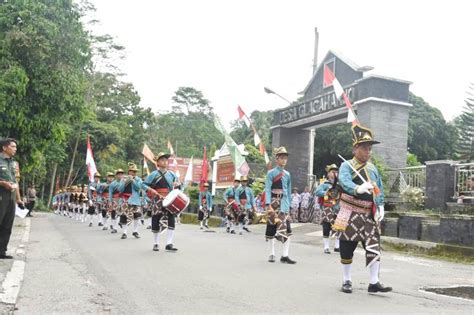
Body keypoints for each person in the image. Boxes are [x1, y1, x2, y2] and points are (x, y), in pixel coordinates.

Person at [333, 124, 391, 294]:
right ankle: (347, 280)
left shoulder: (373, 168)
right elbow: (344, 181)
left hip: (369, 213)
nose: (368, 152)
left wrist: (380, 205)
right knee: (346, 247)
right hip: (349, 210)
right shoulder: (346, 166)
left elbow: (378, 188)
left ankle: (374, 282)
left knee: (373, 246)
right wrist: (357, 189)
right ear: (356, 148)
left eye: (370, 148)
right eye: (365, 148)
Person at [143, 152, 180, 252]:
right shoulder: (153, 174)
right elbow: (144, 185)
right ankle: (156, 243)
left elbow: (179, 186)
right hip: (157, 199)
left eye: (166, 160)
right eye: (162, 160)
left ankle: (169, 243)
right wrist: (151, 190)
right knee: (156, 219)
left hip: (169, 198)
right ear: (158, 163)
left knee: (171, 219)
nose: (165, 161)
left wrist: (177, 184)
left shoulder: (172, 174)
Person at [264, 146, 296, 264]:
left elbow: (288, 192)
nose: (284, 160)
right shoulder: (271, 173)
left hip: (284, 203)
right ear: (277, 159)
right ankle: (272, 253)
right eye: (281, 158)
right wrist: (268, 205)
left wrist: (288, 206)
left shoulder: (287, 174)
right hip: (273, 202)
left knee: (287, 228)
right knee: (272, 227)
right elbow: (267, 189)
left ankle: (285, 255)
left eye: (285, 158)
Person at [0, 138, 24, 259]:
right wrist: (2, 183)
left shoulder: (13, 163)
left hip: (11, 197)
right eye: (13, 146)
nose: (15, 149)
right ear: (4, 147)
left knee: (7, 224)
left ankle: (2, 251)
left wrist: (18, 199)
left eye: (15, 147)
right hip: (1, 196)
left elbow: (16, 182)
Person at [315, 164, 341, 254]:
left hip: (338, 208)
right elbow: (317, 192)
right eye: (332, 171)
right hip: (327, 208)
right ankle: (326, 247)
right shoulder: (324, 184)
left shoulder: (340, 184)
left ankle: (337, 246)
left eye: (336, 171)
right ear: (328, 173)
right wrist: (327, 192)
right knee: (326, 227)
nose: (334, 173)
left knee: (339, 227)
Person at [118, 163, 143, 239]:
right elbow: (120, 189)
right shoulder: (123, 179)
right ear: (129, 171)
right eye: (132, 171)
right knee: (124, 216)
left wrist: (132, 180)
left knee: (137, 216)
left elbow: (138, 188)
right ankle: (124, 232)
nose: (134, 173)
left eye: (135, 171)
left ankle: (135, 231)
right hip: (126, 199)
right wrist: (126, 182)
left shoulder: (138, 179)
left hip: (135, 200)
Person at [108, 169, 124, 234]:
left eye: (121, 174)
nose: (120, 175)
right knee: (114, 213)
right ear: (116, 175)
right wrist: (110, 201)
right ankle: (114, 228)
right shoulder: (112, 184)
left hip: (122, 199)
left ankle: (121, 222)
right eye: (119, 174)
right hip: (115, 199)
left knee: (123, 213)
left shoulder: (124, 182)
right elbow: (110, 193)